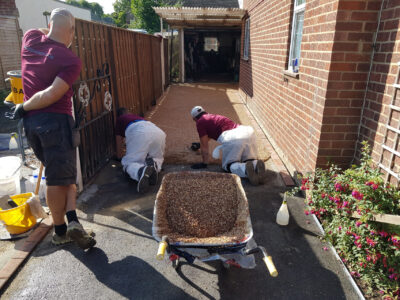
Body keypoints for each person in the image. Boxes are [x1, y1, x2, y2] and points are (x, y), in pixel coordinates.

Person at [6, 8, 95, 249]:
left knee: (65, 175)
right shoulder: (70, 59)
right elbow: (52, 93)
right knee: (57, 179)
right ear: (73, 31)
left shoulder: (31, 38)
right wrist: (23, 105)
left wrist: (24, 110)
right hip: (55, 122)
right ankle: (61, 231)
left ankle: (73, 221)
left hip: (32, 126)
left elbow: (49, 30)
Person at [190, 106, 265, 185]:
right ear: (205, 112)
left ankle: (245, 169)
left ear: (194, 119)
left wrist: (204, 163)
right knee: (248, 160)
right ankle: (256, 164)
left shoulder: (200, 122)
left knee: (229, 165)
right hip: (247, 132)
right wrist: (199, 144)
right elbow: (209, 136)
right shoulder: (214, 117)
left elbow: (204, 146)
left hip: (233, 138)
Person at [115, 107, 166, 193]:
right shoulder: (136, 117)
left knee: (129, 162)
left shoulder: (120, 119)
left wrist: (119, 156)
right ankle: (154, 166)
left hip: (139, 133)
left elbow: (118, 139)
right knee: (156, 157)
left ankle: (139, 171)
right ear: (128, 112)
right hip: (158, 132)